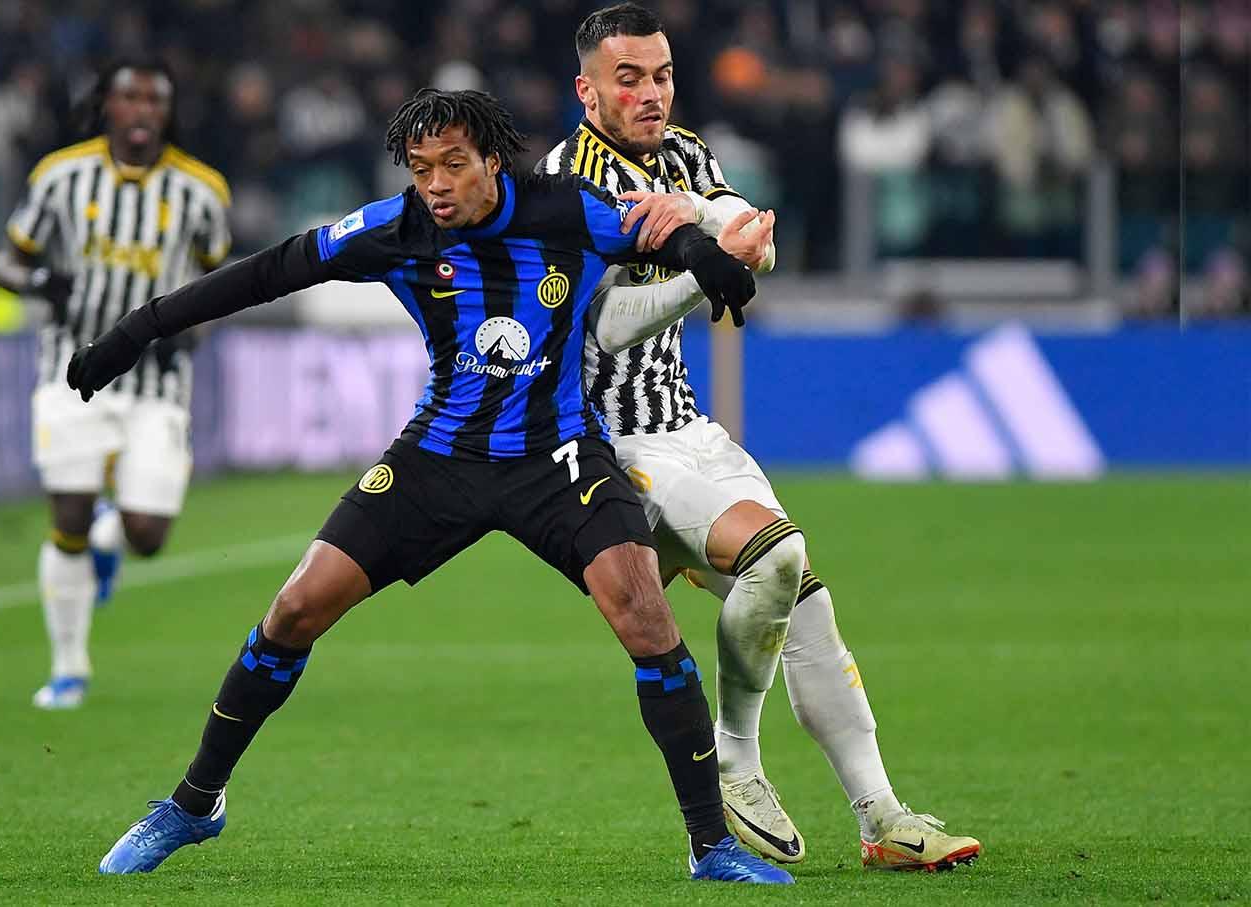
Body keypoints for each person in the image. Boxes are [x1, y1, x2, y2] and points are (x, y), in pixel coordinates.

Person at [69, 88, 791, 885]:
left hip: (555, 456)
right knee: (295, 607)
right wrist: (136, 331)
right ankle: (194, 803)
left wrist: (704, 255)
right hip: (437, 458)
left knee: (644, 614)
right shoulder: (395, 229)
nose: (436, 185)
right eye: (421, 170)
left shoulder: (562, 207)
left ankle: (710, 845)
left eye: (453, 165)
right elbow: (270, 272)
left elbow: (653, 228)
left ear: (492, 160)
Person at [543, 3, 980, 871]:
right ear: (586, 88)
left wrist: (734, 235)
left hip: (687, 426)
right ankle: (736, 755)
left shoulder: (685, 152)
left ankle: (882, 817)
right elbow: (601, 330)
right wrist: (700, 271)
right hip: (614, 444)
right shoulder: (565, 181)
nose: (651, 92)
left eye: (661, 74)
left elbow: (749, 242)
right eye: (628, 78)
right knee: (776, 559)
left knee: (804, 598)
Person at [0, 59, 231, 710]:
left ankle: (111, 536)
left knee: (148, 534)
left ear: (168, 112)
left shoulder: (201, 190)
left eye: (155, 99)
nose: (143, 109)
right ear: (107, 107)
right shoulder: (59, 176)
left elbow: (219, 279)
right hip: (70, 368)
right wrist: (42, 283)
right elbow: (6, 264)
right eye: (130, 97)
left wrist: (196, 327)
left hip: (157, 375)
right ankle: (68, 668)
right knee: (65, 511)